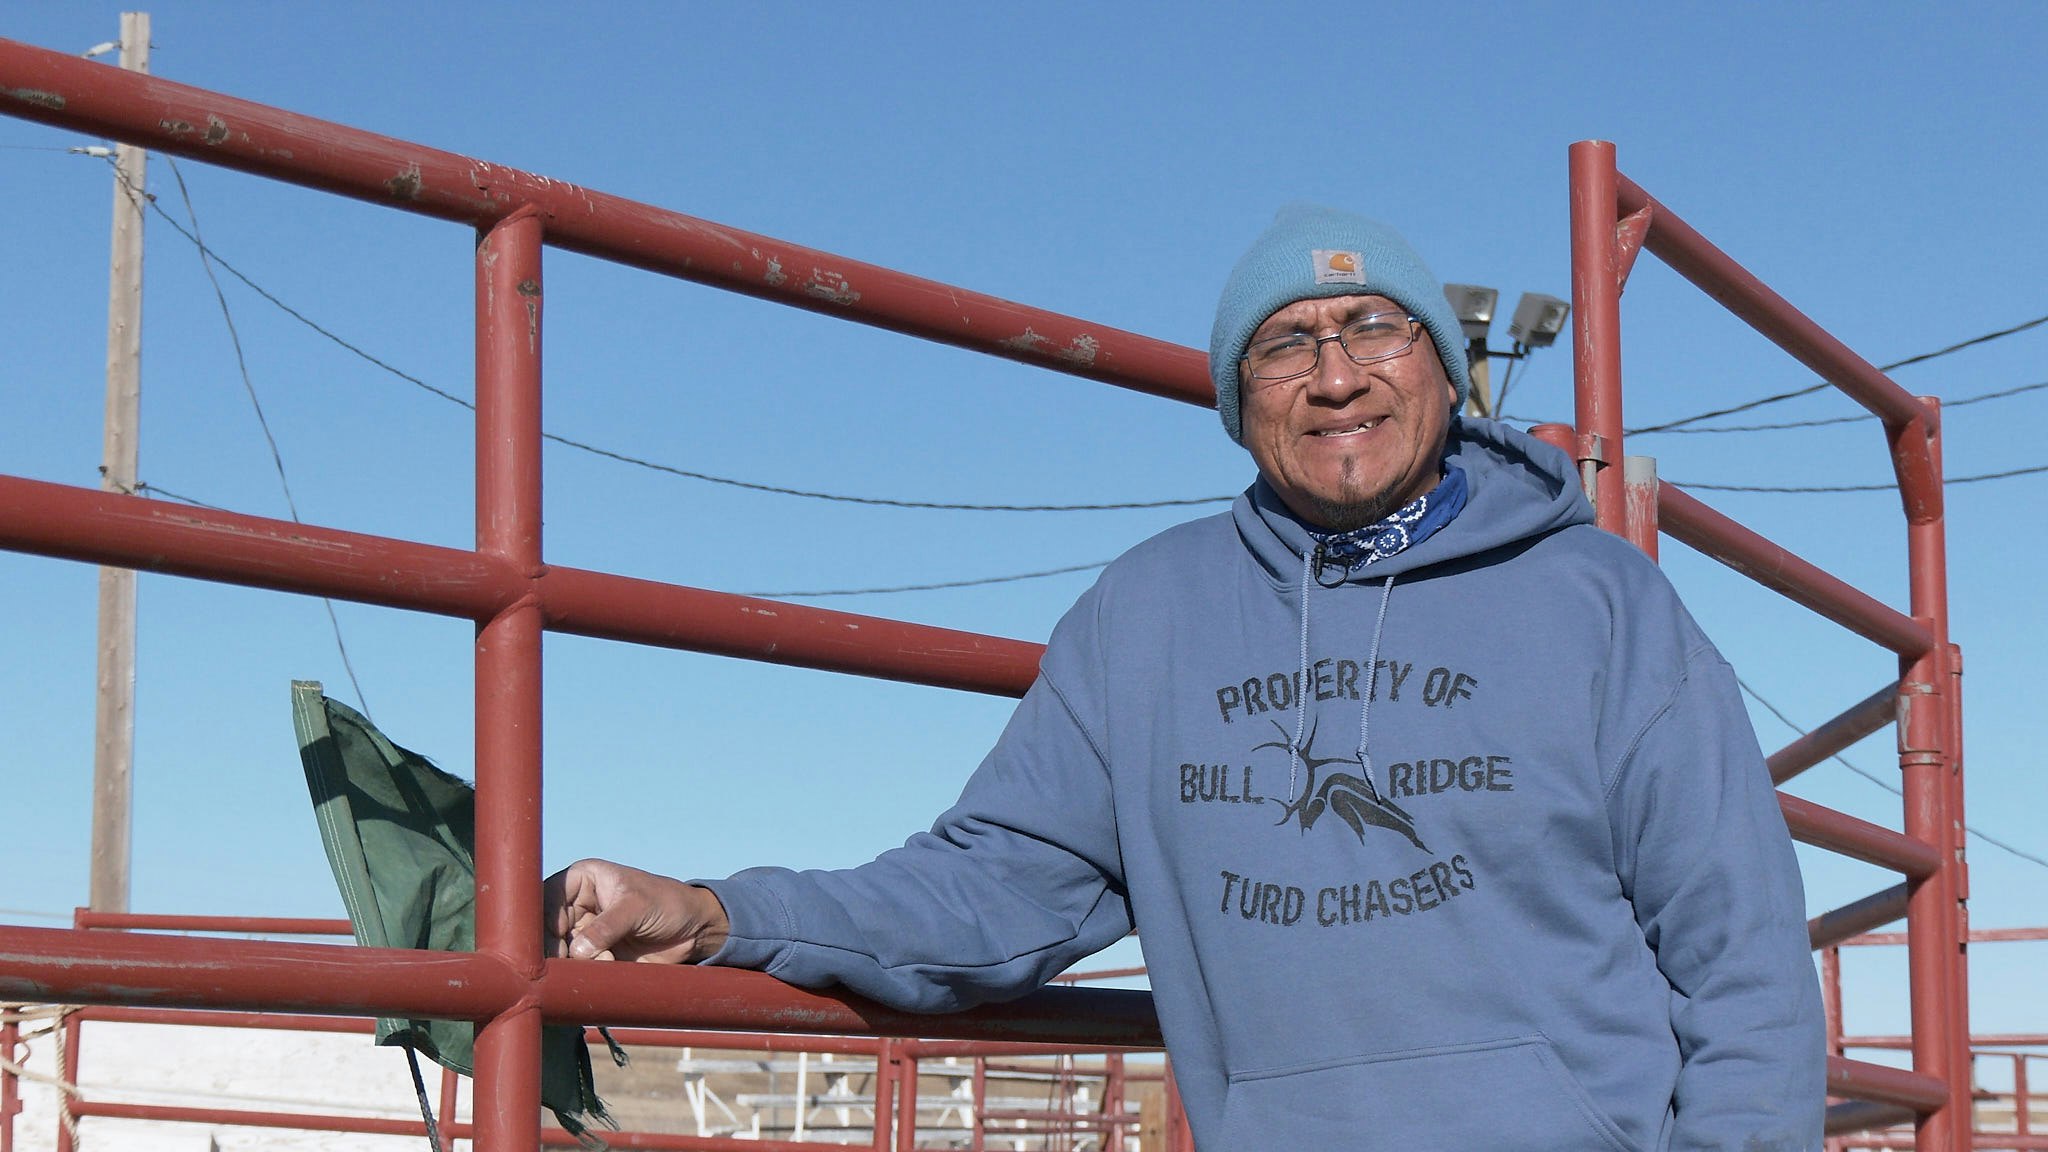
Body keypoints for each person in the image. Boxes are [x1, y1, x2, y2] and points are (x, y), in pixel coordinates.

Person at [546, 204, 1826, 1151]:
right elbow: (996, 887)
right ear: (1234, 399)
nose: (1333, 374)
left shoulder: (1602, 604)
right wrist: (717, 913)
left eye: (1372, 327)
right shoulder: (1147, 613)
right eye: (1283, 346)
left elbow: (1739, 956)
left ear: (1443, 367)